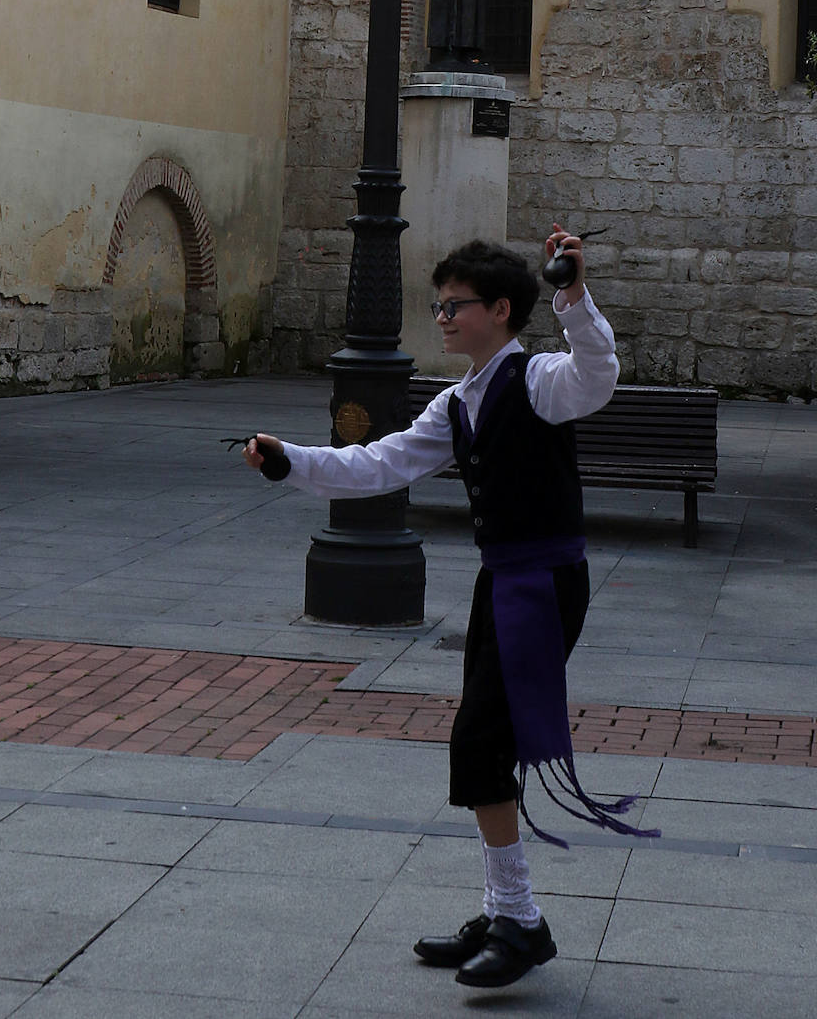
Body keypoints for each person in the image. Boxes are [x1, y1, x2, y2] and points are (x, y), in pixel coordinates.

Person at [243, 227, 656, 990]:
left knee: (478, 742)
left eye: (453, 304)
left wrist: (571, 295)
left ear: (500, 310)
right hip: (501, 580)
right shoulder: (459, 400)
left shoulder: (538, 379)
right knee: (482, 742)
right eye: (436, 305)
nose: (439, 316)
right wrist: (289, 461)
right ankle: (505, 910)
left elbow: (598, 375)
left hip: (542, 583)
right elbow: (380, 461)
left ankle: (520, 920)